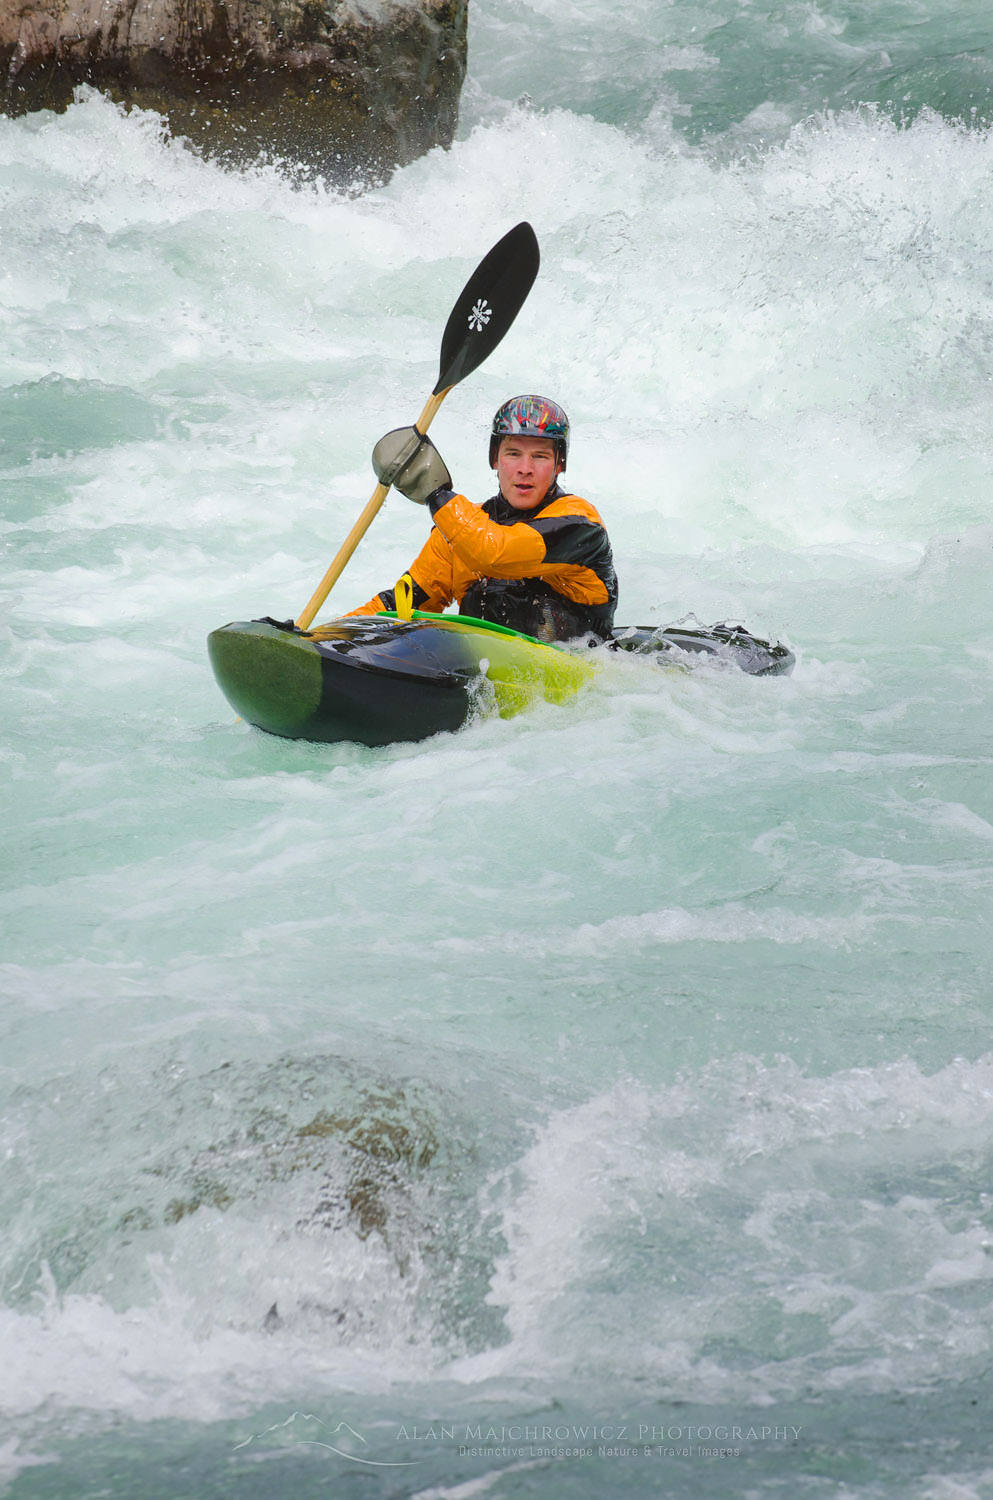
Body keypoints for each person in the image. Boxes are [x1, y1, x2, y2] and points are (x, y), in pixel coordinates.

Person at [348, 395, 618, 642]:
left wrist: (436, 494)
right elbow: (403, 604)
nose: (525, 469)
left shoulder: (580, 524)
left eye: (540, 456)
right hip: (482, 672)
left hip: (575, 672)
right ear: (495, 459)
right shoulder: (459, 529)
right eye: (513, 454)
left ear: (559, 465)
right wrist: (336, 634)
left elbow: (494, 552)